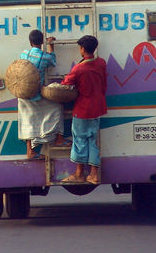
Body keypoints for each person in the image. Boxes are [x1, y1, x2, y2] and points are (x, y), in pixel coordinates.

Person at [60, 35, 107, 184]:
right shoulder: (101, 63)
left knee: (80, 140)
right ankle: (94, 174)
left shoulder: (79, 68)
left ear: (82, 49)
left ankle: (79, 173)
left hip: (83, 109)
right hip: (98, 107)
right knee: (92, 141)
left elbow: (66, 82)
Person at [17, 30, 68, 159]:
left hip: (22, 93)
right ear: (41, 42)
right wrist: (51, 45)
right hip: (36, 94)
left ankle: (30, 150)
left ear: (30, 42)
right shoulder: (44, 57)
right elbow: (53, 61)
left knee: (27, 120)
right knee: (57, 108)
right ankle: (58, 138)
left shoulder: (24, 53)